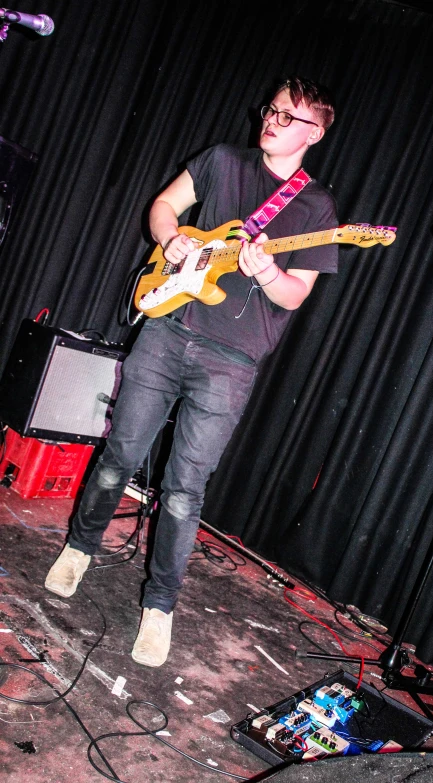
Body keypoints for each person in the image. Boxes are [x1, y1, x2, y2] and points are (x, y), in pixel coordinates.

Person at [45, 76, 338, 667]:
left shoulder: (318, 209)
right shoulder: (223, 160)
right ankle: (79, 546)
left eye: (288, 117)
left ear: (317, 132)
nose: (272, 121)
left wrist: (264, 273)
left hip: (230, 361)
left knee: (185, 490)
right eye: (271, 110)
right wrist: (171, 238)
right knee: (120, 455)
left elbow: (294, 296)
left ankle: (159, 607)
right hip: (168, 329)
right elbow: (163, 207)